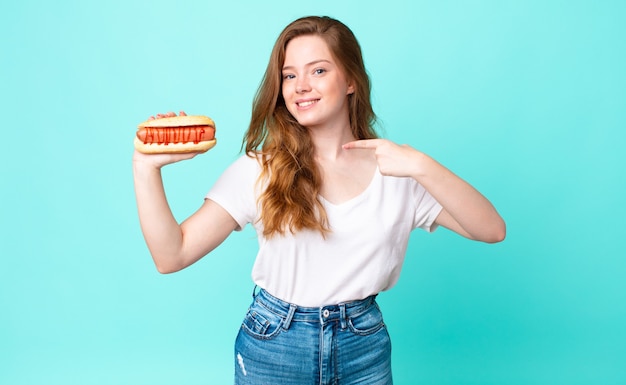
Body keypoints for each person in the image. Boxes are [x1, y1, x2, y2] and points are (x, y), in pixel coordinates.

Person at [133, 15, 505, 385]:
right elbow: (172, 255)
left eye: (319, 71)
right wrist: (145, 168)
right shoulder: (258, 169)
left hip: (364, 345)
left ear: (351, 81)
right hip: (275, 344)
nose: (301, 86)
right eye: (290, 75)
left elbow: (491, 229)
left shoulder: (397, 170)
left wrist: (421, 164)